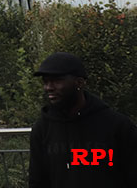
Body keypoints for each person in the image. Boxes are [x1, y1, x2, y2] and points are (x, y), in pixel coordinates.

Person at [29, 52, 137, 187]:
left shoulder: (118, 126)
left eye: (56, 81)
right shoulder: (42, 129)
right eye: (45, 82)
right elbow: (37, 180)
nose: (49, 88)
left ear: (79, 82)